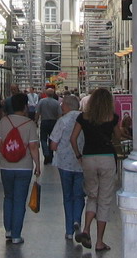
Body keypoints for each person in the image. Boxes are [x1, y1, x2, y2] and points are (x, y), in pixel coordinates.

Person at [69, 87, 122, 252]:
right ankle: (99, 241)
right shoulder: (112, 118)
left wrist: (78, 155)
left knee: (92, 195)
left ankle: (86, 229)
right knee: (104, 200)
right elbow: (118, 137)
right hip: (106, 159)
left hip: (88, 158)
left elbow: (73, 138)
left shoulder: (83, 117)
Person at [0, 92, 41, 245]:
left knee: (8, 197)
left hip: (6, 166)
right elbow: (33, 147)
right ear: (25, 106)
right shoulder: (29, 124)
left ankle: (8, 230)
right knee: (19, 200)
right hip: (24, 167)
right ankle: (17, 234)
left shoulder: (4, 121)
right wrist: (37, 164)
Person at [50, 93, 86, 240]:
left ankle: (69, 231)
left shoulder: (62, 121)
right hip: (82, 163)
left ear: (67, 106)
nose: (61, 106)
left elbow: (53, 145)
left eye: (63, 104)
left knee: (67, 196)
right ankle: (77, 218)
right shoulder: (85, 119)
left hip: (64, 163)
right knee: (79, 195)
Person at [35, 88, 61, 164]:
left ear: (46, 94)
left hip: (44, 121)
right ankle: (50, 154)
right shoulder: (56, 103)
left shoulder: (42, 101)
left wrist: (36, 121)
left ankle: (46, 154)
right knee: (51, 139)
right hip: (53, 122)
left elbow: (37, 112)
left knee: (43, 139)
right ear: (53, 94)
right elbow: (59, 114)